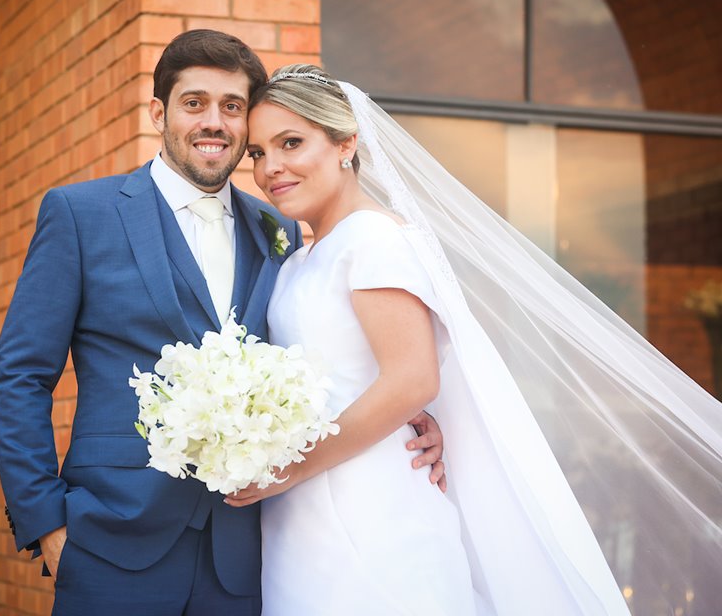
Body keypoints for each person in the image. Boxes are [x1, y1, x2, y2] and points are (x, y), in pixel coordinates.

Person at [228, 64, 722, 615]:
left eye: (290, 143)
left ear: (346, 143)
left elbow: (412, 378)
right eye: (256, 153)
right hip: (303, 512)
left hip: (368, 505)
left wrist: (291, 467)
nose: (270, 168)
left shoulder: (371, 239)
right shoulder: (299, 260)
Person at [0, 31, 446, 615]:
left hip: (247, 554)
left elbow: (321, 347)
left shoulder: (277, 229)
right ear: (159, 112)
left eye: (232, 107)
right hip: (109, 542)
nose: (215, 122)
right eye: (194, 103)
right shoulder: (82, 214)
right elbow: (19, 377)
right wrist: (46, 523)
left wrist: (411, 411)